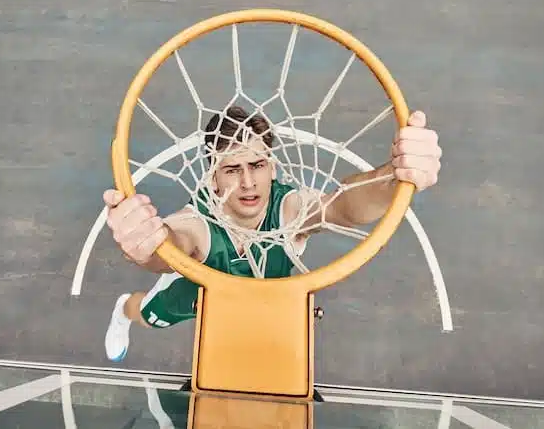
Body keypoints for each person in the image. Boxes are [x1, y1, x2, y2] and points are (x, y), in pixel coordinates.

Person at [102, 104, 442, 361]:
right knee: (147, 316)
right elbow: (173, 241)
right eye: (232, 169)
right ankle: (122, 310)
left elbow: (342, 206)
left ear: (272, 167)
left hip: (264, 300)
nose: (248, 182)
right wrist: (146, 243)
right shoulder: (198, 223)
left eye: (257, 165)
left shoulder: (289, 210)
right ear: (212, 177)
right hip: (196, 292)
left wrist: (394, 176)